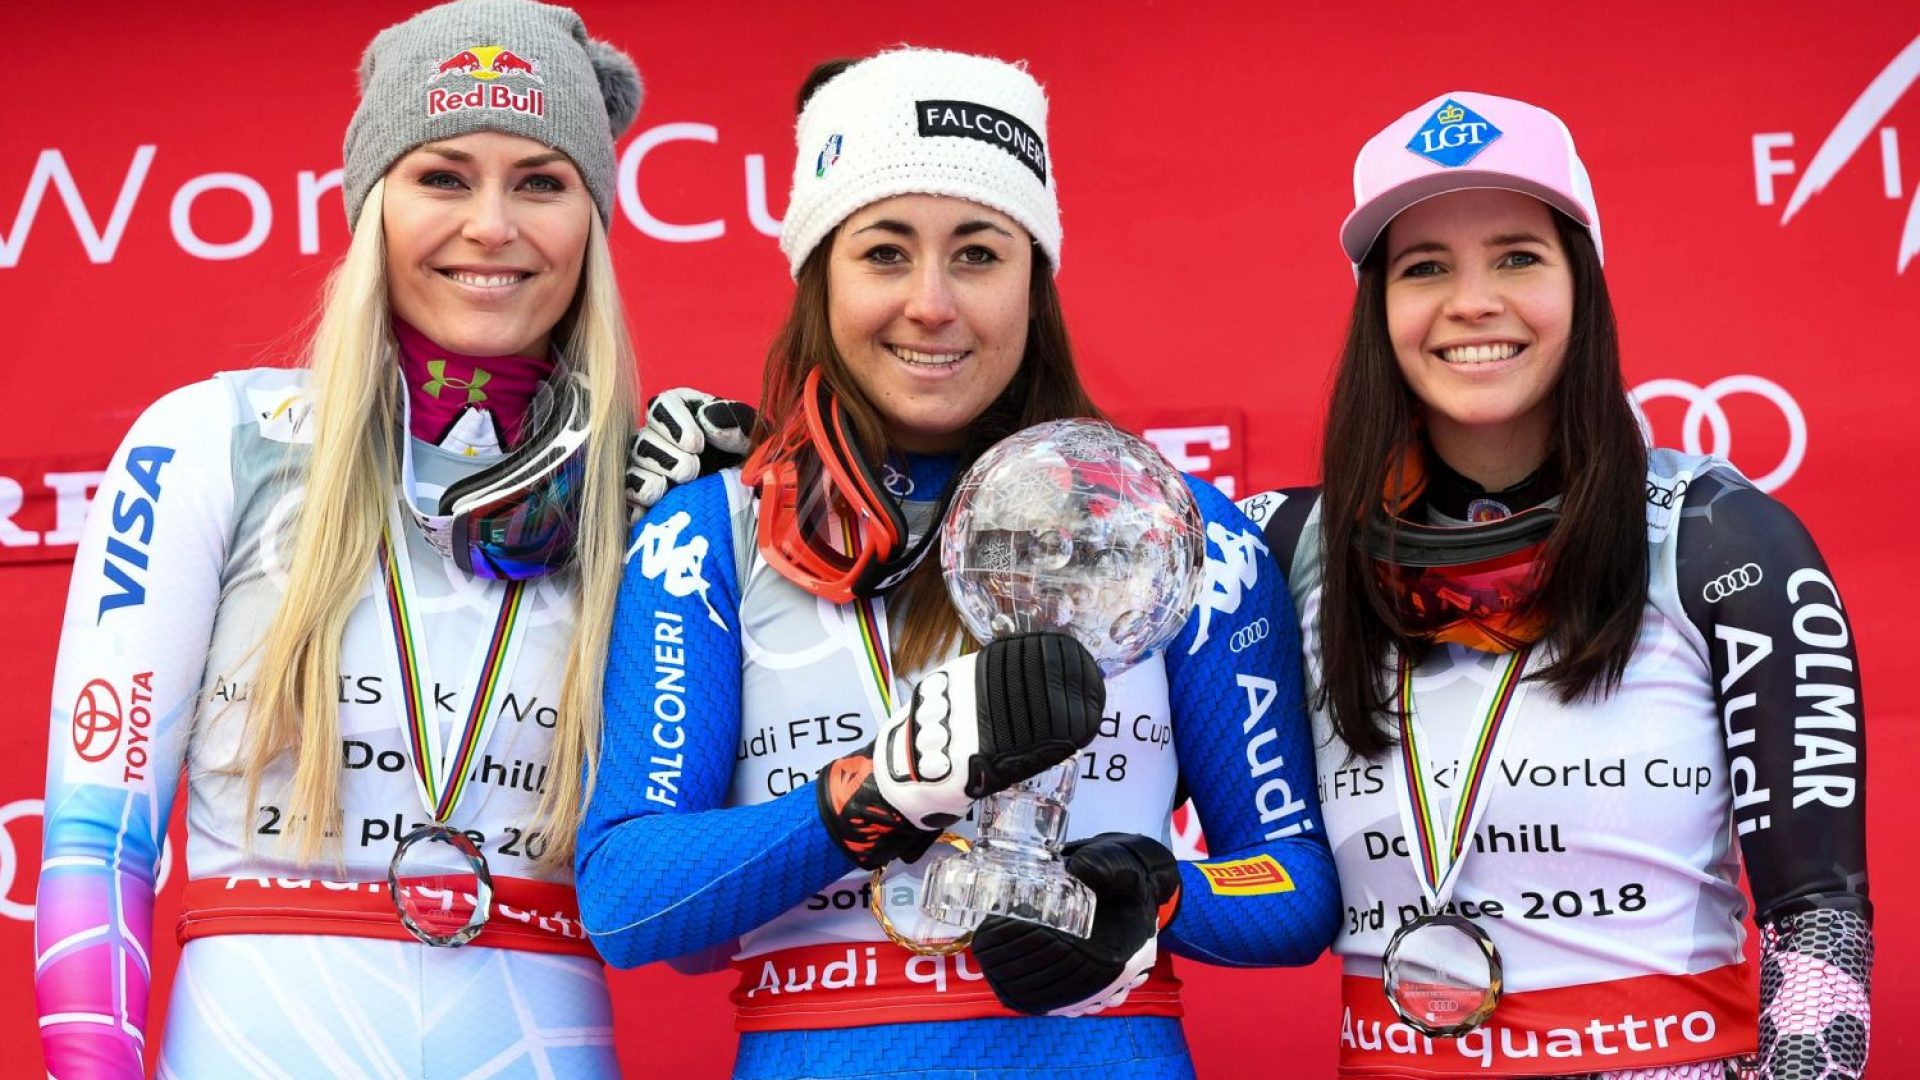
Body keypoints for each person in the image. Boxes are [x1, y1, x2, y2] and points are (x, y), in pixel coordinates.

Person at [575, 47, 1339, 1080]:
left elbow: (1295, 891)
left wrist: (1152, 896)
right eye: (885, 253)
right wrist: (873, 794)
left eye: (978, 254)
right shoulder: (708, 534)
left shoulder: (1176, 530)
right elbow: (630, 897)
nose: (932, 303)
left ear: (1037, 279)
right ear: (818, 276)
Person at [33, 1, 655, 1075]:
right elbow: (96, 844)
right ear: (373, 204)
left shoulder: (652, 491)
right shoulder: (214, 441)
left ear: (593, 217)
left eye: (542, 182)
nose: (492, 226)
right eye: (443, 176)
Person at [1238, 92, 1872, 1078]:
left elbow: (1819, 925)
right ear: (1380, 308)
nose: (1473, 300)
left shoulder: (1716, 535)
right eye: (1425, 267)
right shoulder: (1286, 549)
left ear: (1582, 281)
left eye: (1516, 256)